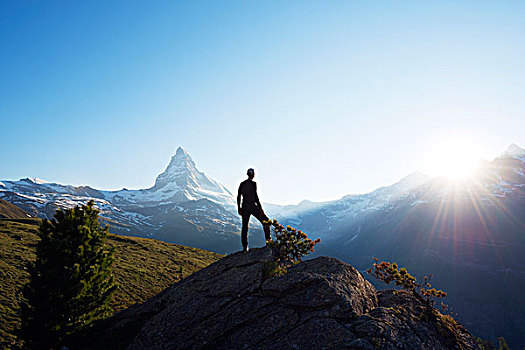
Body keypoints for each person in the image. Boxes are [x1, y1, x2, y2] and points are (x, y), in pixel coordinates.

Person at [237, 168, 271, 253]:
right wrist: (260, 209)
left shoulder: (242, 184)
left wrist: (239, 208)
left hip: (244, 207)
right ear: (253, 174)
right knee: (266, 221)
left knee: (245, 227)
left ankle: (245, 247)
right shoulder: (253, 184)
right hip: (252, 206)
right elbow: (255, 197)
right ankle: (268, 242)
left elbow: (238, 196)